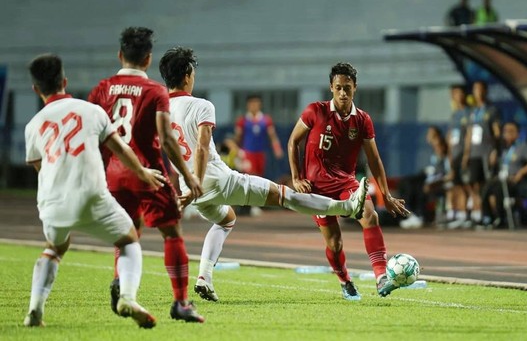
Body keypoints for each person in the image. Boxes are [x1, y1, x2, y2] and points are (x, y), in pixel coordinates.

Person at [158, 48, 368, 302]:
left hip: (190, 187)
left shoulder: (160, 111)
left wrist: (184, 187)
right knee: (285, 196)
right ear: (188, 75)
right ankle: (346, 206)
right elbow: (202, 146)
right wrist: (195, 185)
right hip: (214, 180)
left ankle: (204, 277)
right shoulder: (201, 105)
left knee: (226, 220)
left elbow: (167, 150)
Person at [23, 54, 165, 328]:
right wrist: (143, 173)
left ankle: (35, 310)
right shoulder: (91, 111)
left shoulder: (33, 126)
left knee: (55, 247)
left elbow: (40, 168)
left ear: (36, 89)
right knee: (128, 240)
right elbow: (120, 149)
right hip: (92, 195)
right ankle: (126, 296)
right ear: (64, 81)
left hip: (52, 202)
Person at [88, 27, 205, 323]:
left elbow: (92, 136)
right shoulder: (155, 91)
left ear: (120, 55)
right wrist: (190, 177)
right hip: (148, 173)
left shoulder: (101, 89)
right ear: (148, 59)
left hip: (113, 174)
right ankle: (180, 302)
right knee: (172, 233)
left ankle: (120, 280)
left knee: (127, 234)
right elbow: (166, 139)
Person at [288, 62, 409, 300]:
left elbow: (375, 160)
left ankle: (381, 276)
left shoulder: (363, 120)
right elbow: (293, 142)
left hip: (346, 184)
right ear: (331, 88)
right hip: (317, 189)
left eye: (348, 88)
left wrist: (387, 195)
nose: (343, 93)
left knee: (370, 215)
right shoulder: (315, 111)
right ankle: (345, 280)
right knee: (334, 244)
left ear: (355, 88)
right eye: (338, 87)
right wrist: (296, 178)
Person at [480, 122, 527, 228]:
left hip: (514, 180)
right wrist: (493, 158)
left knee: (499, 190)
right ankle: (488, 217)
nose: (507, 134)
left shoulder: (522, 147)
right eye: (505, 132)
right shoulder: (503, 149)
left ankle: (501, 218)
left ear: (517, 134)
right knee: (487, 187)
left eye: (511, 132)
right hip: (501, 178)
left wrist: (521, 172)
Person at [235, 94, 284, 216]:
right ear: (248, 105)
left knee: (259, 178)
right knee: (249, 178)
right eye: (252, 104)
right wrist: (237, 152)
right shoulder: (243, 120)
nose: (254, 106)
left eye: (256, 103)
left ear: (260, 104)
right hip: (247, 153)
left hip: (260, 154)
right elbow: (237, 138)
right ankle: (249, 205)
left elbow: (272, 136)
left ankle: (254, 203)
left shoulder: (266, 120)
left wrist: (277, 149)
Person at [462, 81, 501, 226]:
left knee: (487, 185)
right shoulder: (472, 112)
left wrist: (494, 151)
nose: (478, 92)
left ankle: (491, 215)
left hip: (486, 153)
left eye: (480, 89)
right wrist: (466, 154)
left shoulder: (491, 111)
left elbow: (497, 133)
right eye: (475, 89)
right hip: (474, 153)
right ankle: (479, 213)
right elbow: (469, 134)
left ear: (485, 91)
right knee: (474, 184)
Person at [446, 84, 471, 229]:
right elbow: (450, 136)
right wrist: (449, 154)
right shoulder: (454, 115)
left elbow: (469, 134)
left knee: (465, 184)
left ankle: (467, 214)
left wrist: (467, 153)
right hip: (454, 154)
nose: (456, 97)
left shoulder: (468, 113)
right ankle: (459, 214)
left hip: (463, 153)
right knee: (456, 185)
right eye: (454, 94)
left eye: (458, 93)